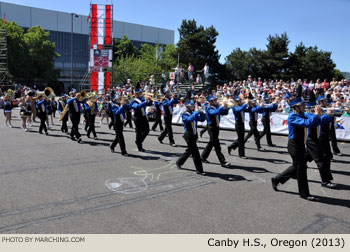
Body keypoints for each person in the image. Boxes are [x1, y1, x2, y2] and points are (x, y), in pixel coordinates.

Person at [271, 97, 319, 201]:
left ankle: (277, 179)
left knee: (296, 166)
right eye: (302, 105)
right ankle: (304, 193)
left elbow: (312, 119)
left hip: (300, 145)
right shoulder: (293, 116)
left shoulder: (302, 114)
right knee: (301, 169)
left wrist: (318, 114)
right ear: (296, 107)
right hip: (294, 145)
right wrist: (316, 115)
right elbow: (308, 123)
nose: (304, 107)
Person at [176, 100, 206, 175]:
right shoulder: (184, 114)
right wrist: (196, 112)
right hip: (188, 135)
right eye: (192, 106)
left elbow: (202, 119)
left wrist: (201, 112)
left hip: (194, 135)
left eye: (193, 105)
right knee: (195, 153)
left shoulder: (193, 113)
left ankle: (179, 162)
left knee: (189, 151)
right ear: (188, 107)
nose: (193, 107)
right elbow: (189, 120)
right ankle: (199, 170)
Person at [200, 96, 230, 167]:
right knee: (217, 145)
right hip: (211, 127)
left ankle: (203, 157)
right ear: (211, 101)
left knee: (211, 143)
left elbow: (225, 113)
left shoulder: (217, 107)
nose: (216, 101)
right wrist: (221, 106)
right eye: (215, 100)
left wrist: (226, 108)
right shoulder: (209, 108)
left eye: (216, 100)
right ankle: (222, 161)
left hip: (216, 127)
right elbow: (214, 113)